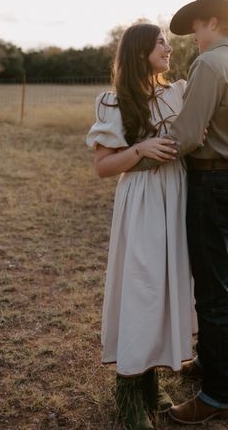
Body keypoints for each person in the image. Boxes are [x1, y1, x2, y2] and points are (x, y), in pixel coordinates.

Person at [86, 23, 196, 430]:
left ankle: (150, 381)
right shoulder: (114, 102)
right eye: (161, 42)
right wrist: (140, 148)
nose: (169, 47)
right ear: (139, 52)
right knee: (141, 289)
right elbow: (102, 167)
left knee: (166, 288)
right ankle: (128, 391)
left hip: (177, 197)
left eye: (167, 41)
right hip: (144, 201)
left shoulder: (176, 92)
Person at [165, 0, 228, 425]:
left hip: (210, 179)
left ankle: (219, 395)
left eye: (196, 28)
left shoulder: (209, 64)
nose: (193, 38)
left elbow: (186, 135)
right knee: (211, 279)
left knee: (211, 290)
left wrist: (138, 149)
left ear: (211, 22)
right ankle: (209, 363)